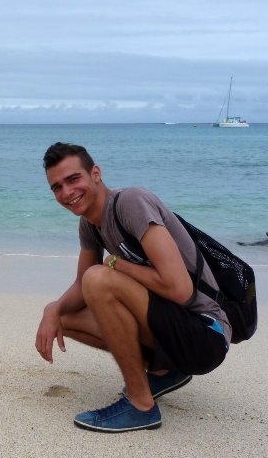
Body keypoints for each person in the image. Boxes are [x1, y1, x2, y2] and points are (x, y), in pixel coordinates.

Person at [36, 143, 230, 433]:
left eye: (73, 179)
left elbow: (180, 289)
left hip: (206, 333)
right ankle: (165, 372)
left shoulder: (131, 202)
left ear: (96, 174)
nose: (67, 192)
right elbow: (80, 284)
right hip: (173, 331)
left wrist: (117, 265)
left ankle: (141, 406)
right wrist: (52, 309)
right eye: (57, 187)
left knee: (98, 278)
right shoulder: (90, 225)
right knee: (63, 317)